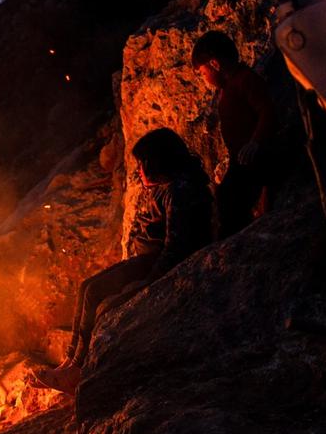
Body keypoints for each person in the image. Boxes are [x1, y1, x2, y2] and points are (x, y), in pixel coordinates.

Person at [33, 128, 214, 394]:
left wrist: (149, 284)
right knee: (88, 288)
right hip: (144, 260)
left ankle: (79, 368)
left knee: (103, 301)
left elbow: (177, 246)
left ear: (158, 162)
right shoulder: (164, 186)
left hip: (153, 263)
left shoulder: (180, 189)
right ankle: (70, 362)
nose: (139, 171)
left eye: (143, 164)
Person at [192, 30, 278, 236]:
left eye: (203, 73)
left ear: (215, 64)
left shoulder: (245, 80)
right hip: (238, 158)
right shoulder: (227, 88)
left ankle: (240, 240)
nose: (204, 79)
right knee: (226, 199)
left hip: (254, 157)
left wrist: (255, 142)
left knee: (231, 200)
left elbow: (267, 110)